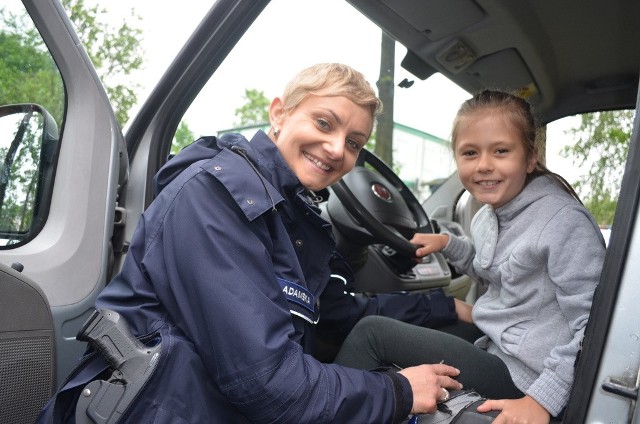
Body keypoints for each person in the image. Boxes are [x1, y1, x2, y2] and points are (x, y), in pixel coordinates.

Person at [37, 63, 463, 424]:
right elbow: (267, 382)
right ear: (279, 114)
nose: (336, 150)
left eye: (354, 143)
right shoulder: (214, 196)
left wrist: (449, 308)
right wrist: (397, 392)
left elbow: (342, 315)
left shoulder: (297, 218)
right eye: (323, 123)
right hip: (157, 407)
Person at [334, 90, 606, 423]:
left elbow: (595, 326)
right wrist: (447, 243)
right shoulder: (490, 214)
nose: (484, 165)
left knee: (371, 334)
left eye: (501, 151)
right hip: (497, 346)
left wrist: (542, 401)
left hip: (528, 376)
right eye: (470, 153)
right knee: (423, 318)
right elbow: (488, 267)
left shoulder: (563, 222)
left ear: (531, 157)